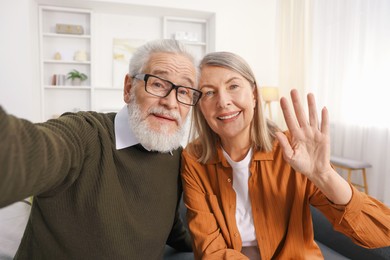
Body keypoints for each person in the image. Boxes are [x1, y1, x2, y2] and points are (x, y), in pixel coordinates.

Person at [0, 39, 203, 259]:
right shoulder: (85, 133)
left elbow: (171, 228)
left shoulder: (176, 157)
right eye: (158, 84)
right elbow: (25, 149)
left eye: (183, 92)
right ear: (128, 88)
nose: (171, 103)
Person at [181, 51, 390, 259]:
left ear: (254, 95)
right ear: (199, 105)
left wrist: (324, 174)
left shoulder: (294, 150)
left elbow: (381, 235)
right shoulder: (193, 158)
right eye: (209, 93)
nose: (223, 101)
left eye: (233, 86)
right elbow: (210, 250)